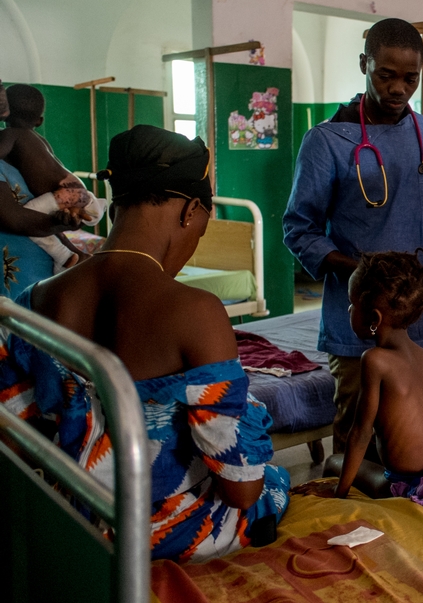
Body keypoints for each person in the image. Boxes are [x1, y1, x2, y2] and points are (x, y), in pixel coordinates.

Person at [0, 125, 290, 562]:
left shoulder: (35, 299)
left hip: (70, 519)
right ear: (191, 210)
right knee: (273, 487)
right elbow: (240, 489)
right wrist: (248, 412)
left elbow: (19, 441)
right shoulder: (195, 313)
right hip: (158, 534)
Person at [284, 18, 423, 457]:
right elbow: (298, 229)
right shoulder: (327, 141)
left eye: (410, 78)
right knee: (359, 433)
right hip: (361, 323)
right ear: (364, 64)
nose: (399, 88)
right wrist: (363, 271)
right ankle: (346, 520)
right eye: (386, 75)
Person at [324, 251, 423, 499]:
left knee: (332, 462)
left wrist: (340, 493)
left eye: (353, 304)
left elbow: (361, 433)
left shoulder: (374, 360)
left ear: (374, 318)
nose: (349, 309)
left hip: (406, 488)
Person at [0, 84, 105, 271]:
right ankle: (76, 253)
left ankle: (64, 257)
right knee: (45, 221)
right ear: (39, 121)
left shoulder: (11, 135)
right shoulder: (40, 140)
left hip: (64, 195)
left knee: (29, 217)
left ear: (7, 112)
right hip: (80, 193)